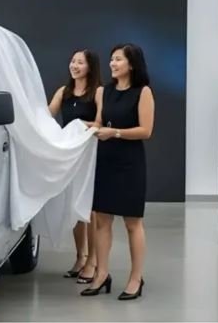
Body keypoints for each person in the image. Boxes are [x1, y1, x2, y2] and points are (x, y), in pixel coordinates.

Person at [81, 43, 154, 300]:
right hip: (106, 160)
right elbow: (100, 122)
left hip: (130, 163)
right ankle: (102, 274)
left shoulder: (142, 92)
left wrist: (116, 133)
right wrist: (86, 126)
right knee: (102, 220)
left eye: (118, 59)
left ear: (131, 64)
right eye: (112, 59)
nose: (112, 63)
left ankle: (136, 278)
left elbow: (146, 130)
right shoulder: (105, 91)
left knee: (133, 222)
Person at [48, 49, 102, 284]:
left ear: (90, 67)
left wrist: (81, 125)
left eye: (80, 62)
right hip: (70, 157)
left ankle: (93, 261)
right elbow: (47, 115)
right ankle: (80, 257)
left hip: (90, 155)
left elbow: (99, 122)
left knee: (89, 208)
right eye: (72, 61)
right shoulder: (64, 91)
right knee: (74, 206)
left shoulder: (98, 92)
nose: (74, 66)